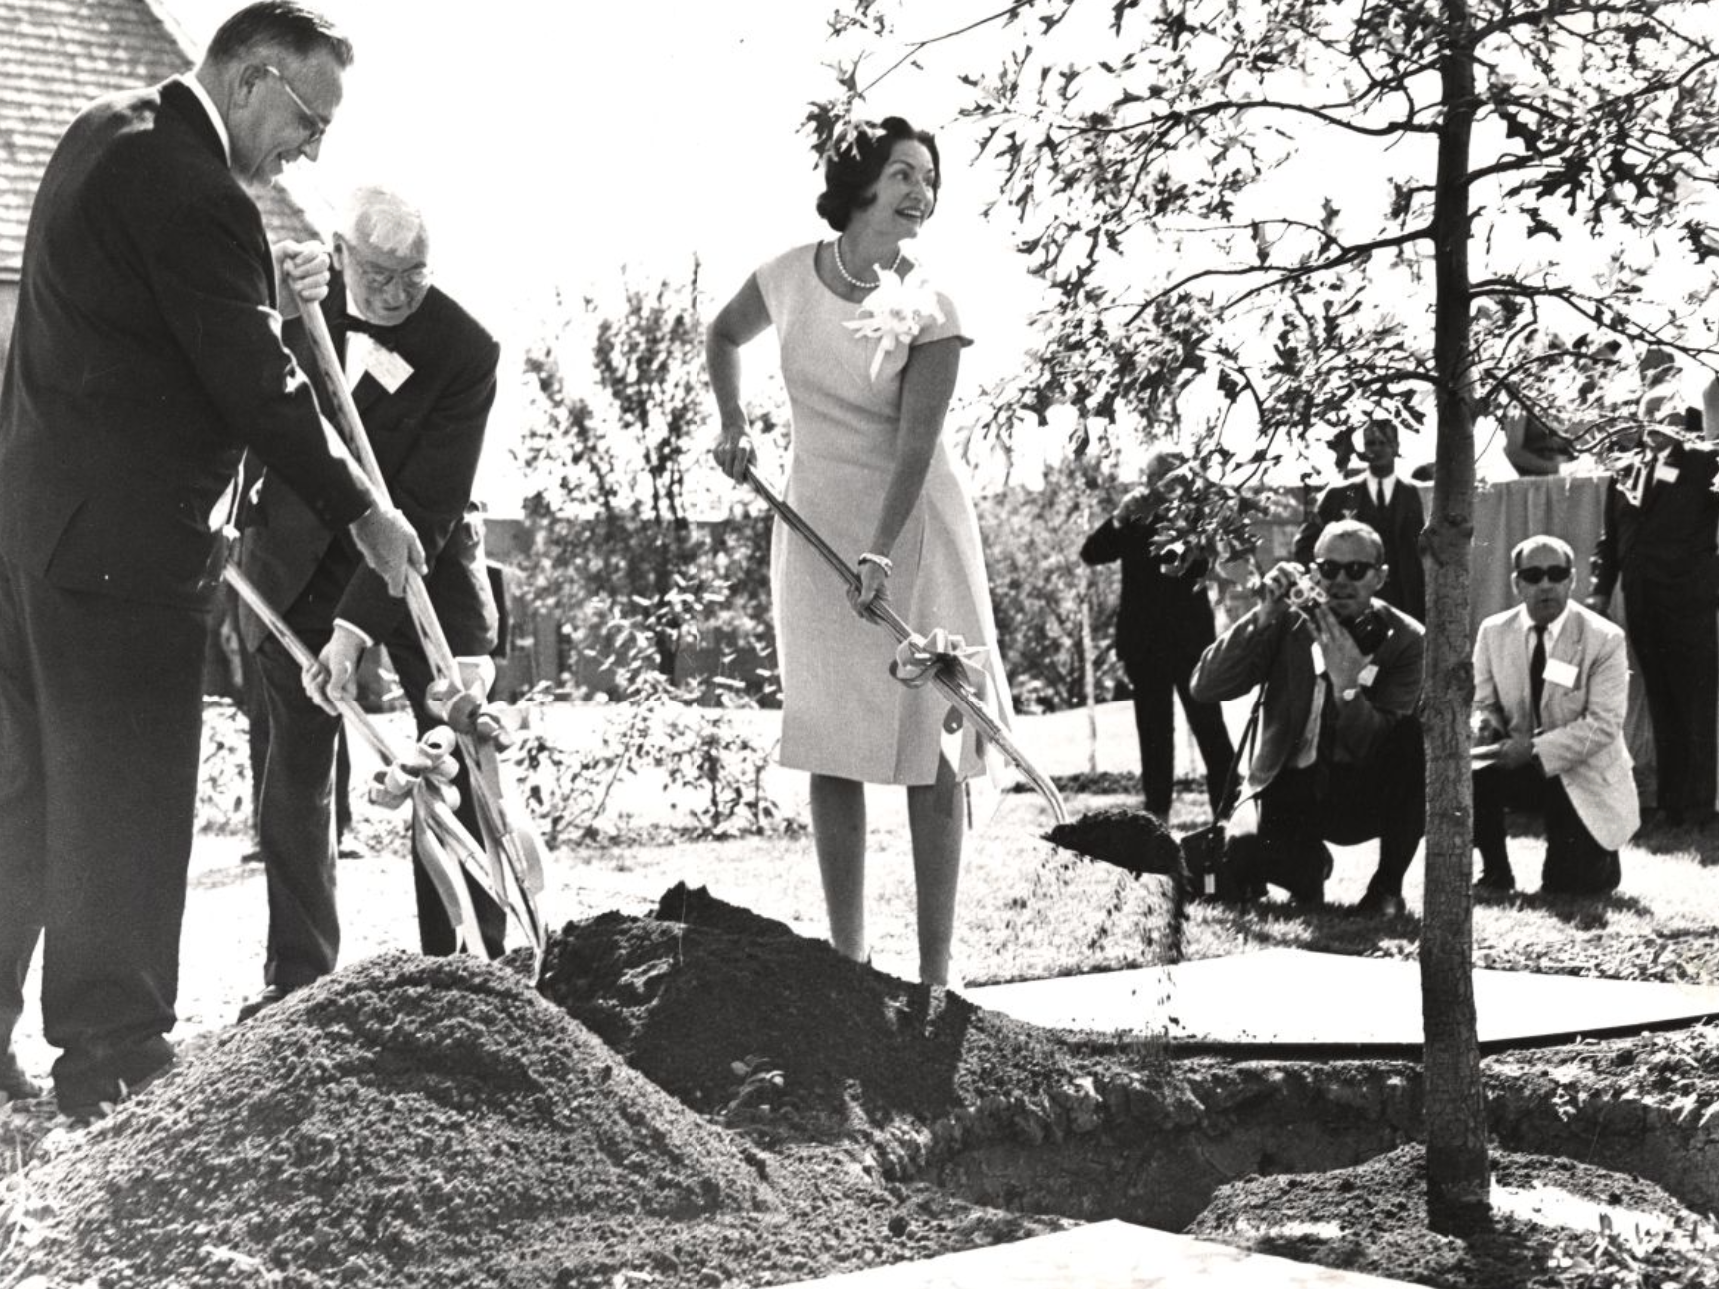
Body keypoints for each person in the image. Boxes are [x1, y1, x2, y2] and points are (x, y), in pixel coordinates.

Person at [0, 2, 422, 1116]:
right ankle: (114, 1052)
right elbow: (259, 386)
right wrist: (362, 508)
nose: (311, 151)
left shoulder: (101, 130)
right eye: (310, 121)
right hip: (123, 553)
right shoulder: (196, 191)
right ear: (252, 79)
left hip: (36, 530)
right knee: (128, 793)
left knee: (28, 789)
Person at [706, 116, 1011, 987]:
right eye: (904, 173)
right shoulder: (785, 276)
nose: (921, 191)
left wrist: (879, 552)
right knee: (829, 737)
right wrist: (734, 424)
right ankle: (848, 960)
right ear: (861, 182)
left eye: (929, 177)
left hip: (910, 529)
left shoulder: (936, 308)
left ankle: (935, 972)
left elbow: (915, 450)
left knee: (927, 746)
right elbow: (722, 335)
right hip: (811, 526)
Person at [234, 186, 505, 1021]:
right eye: (377, 274)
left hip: (422, 565)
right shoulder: (294, 313)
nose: (393, 295)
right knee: (295, 775)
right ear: (342, 253)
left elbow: (424, 506)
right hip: (296, 562)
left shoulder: (465, 349)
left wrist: (355, 631)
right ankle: (299, 983)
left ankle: (464, 971)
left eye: (412, 277)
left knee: (449, 751)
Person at [1190, 520, 1425, 914]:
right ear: (1313, 571)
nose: (1341, 581)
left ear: (1380, 577)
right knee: (1243, 855)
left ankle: (1386, 888)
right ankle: (1306, 863)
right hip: (1287, 784)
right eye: (1329, 569)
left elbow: (1378, 740)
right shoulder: (1289, 619)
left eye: (1356, 570)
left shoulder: (1406, 639)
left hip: (1358, 786)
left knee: (1411, 738)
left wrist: (1346, 687)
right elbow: (1205, 687)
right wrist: (1264, 614)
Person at [1588, 369, 1719, 830]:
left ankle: (1701, 806)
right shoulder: (1625, 468)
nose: (1652, 423)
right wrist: (1601, 590)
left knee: (1696, 703)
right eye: (1646, 414)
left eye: (1662, 415)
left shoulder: (1704, 464)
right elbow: (1611, 538)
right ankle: (1670, 803)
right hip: (1641, 602)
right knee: (1661, 701)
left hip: (1690, 600)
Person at [1472, 536, 1637, 896]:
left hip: (1582, 769)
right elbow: (1483, 703)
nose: (1545, 584)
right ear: (1516, 583)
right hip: (1518, 764)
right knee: (1471, 772)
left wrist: (1531, 749)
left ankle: (1598, 856)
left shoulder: (1605, 639)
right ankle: (1495, 871)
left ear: (1572, 580)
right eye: (1533, 575)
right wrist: (1486, 729)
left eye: (1556, 573)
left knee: (1567, 886)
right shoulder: (1492, 632)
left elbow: (1604, 726)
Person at [1079, 448, 1234, 819]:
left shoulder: (1199, 518)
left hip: (1190, 644)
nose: (1156, 486)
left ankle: (1228, 815)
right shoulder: (1134, 517)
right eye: (1151, 478)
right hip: (1144, 647)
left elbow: (1214, 552)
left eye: (1166, 478)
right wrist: (1118, 518)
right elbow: (1092, 553)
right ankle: (1157, 817)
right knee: (1154, 736)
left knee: (1210, 730)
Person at [1293, 421, 1426, 624]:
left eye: (1384, 443)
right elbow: (1304, 545)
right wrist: (1322, 581)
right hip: (1350, 600)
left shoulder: (1412, 494)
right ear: (1363, 448)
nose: (1377, 449)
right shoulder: (1339, 494)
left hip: (1402, 601)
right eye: (1371, 443)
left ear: (1396, 446)